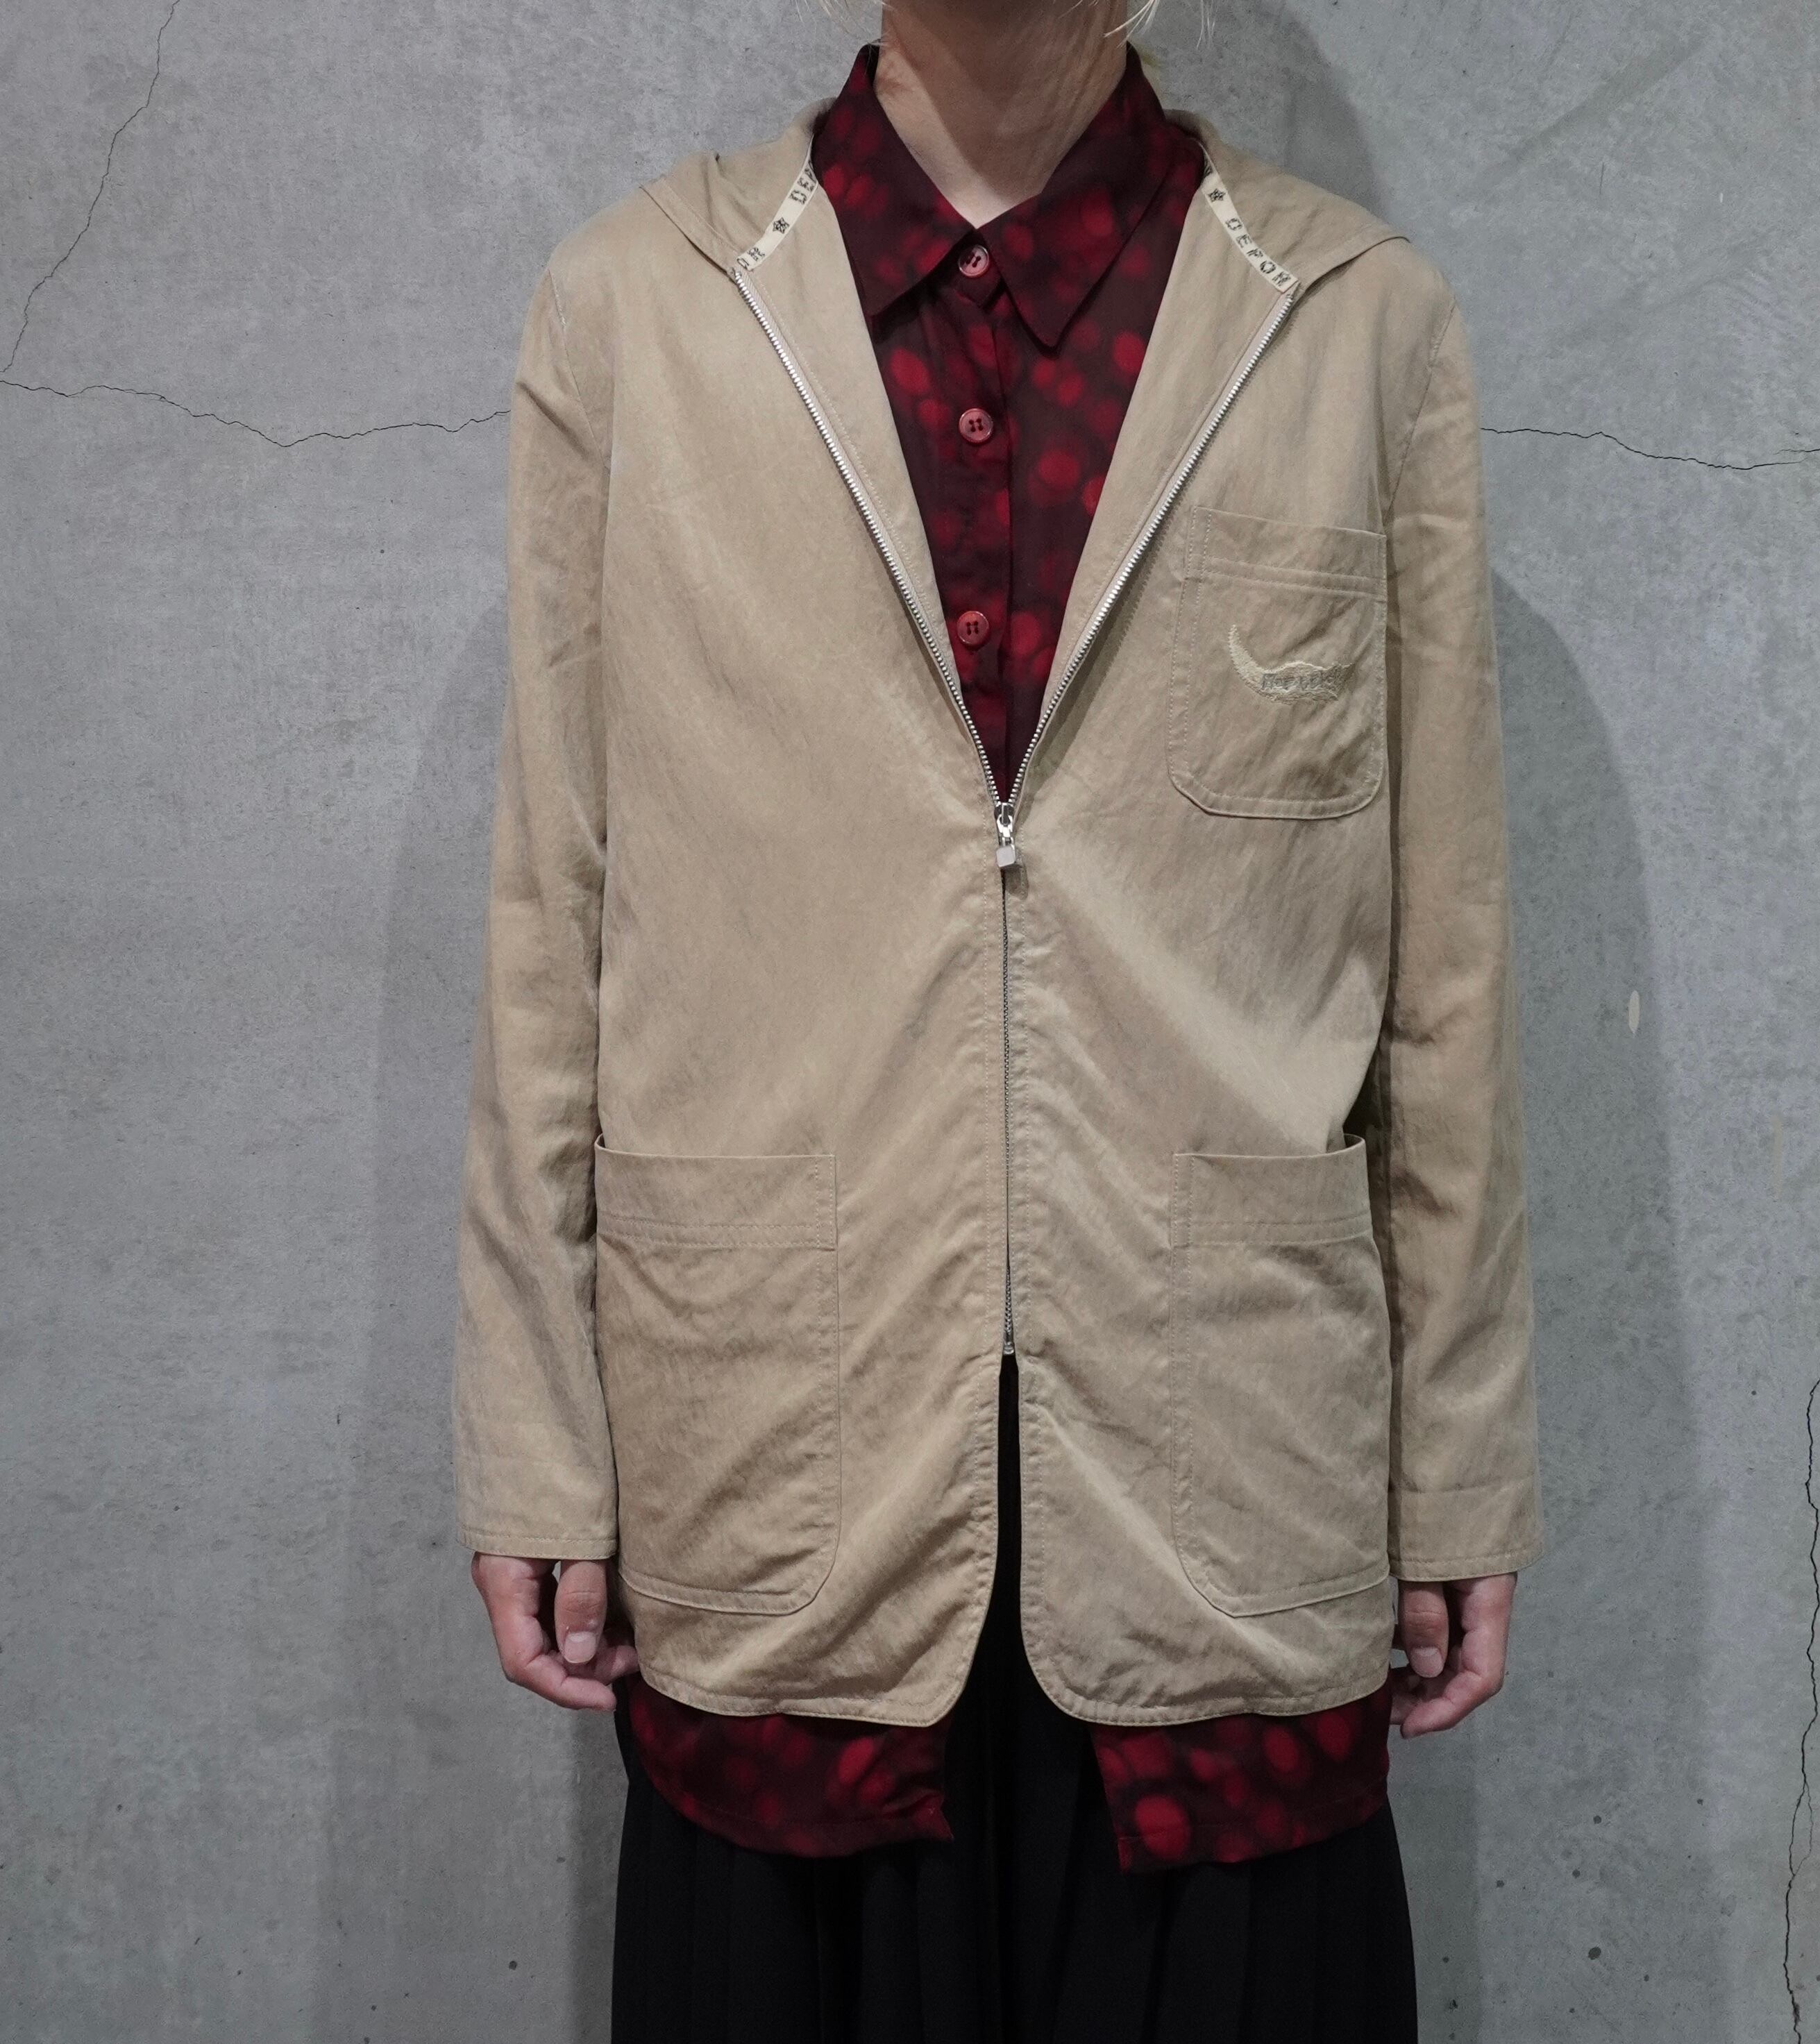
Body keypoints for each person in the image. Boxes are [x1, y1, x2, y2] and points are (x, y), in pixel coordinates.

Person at [455, 1, 1541, 2036]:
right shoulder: (640, 309)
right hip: (776, 1441)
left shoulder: (1350, 322)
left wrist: (1459, 1453)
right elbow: (553, 912)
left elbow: (1444, 956)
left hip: (1229, 1460)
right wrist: (535, 1427)